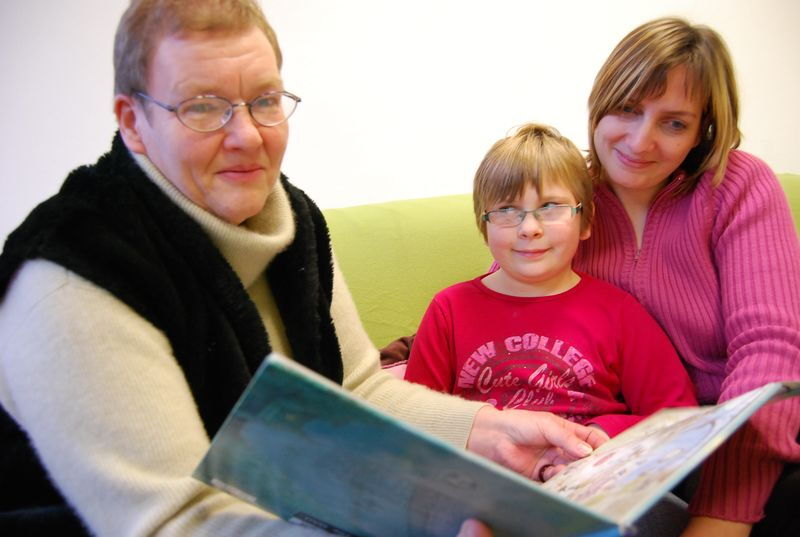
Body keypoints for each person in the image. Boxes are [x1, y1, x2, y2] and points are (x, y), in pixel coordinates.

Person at [0, 1, 604, 536]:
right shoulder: (70, 274)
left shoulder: (294, 219)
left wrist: (495, 432)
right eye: (203, 107)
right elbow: (173, 521)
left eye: (264, 100)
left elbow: (359, 392)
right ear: (132, 121)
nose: (247, 136)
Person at [574, 17, 800, 537]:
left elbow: (769, 353)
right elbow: (499, 303)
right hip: (621, 449)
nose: (640, 141)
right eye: (627, 109)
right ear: (599, 102)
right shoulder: (563, 192)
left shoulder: (738, 186)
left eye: (673, 123)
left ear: (704, 131)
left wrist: (721, 514)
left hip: (744, 444)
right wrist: (404, 362)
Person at [404, 123, 697, 444]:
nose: (529, 228)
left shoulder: (620, 312)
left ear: (585, 222)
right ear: (483, 227)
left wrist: (605, 433)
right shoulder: (449, 310)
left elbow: (677, 417)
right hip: (480, 480)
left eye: (550, 207)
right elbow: (416, 421)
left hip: (589, 475)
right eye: (506, 210)